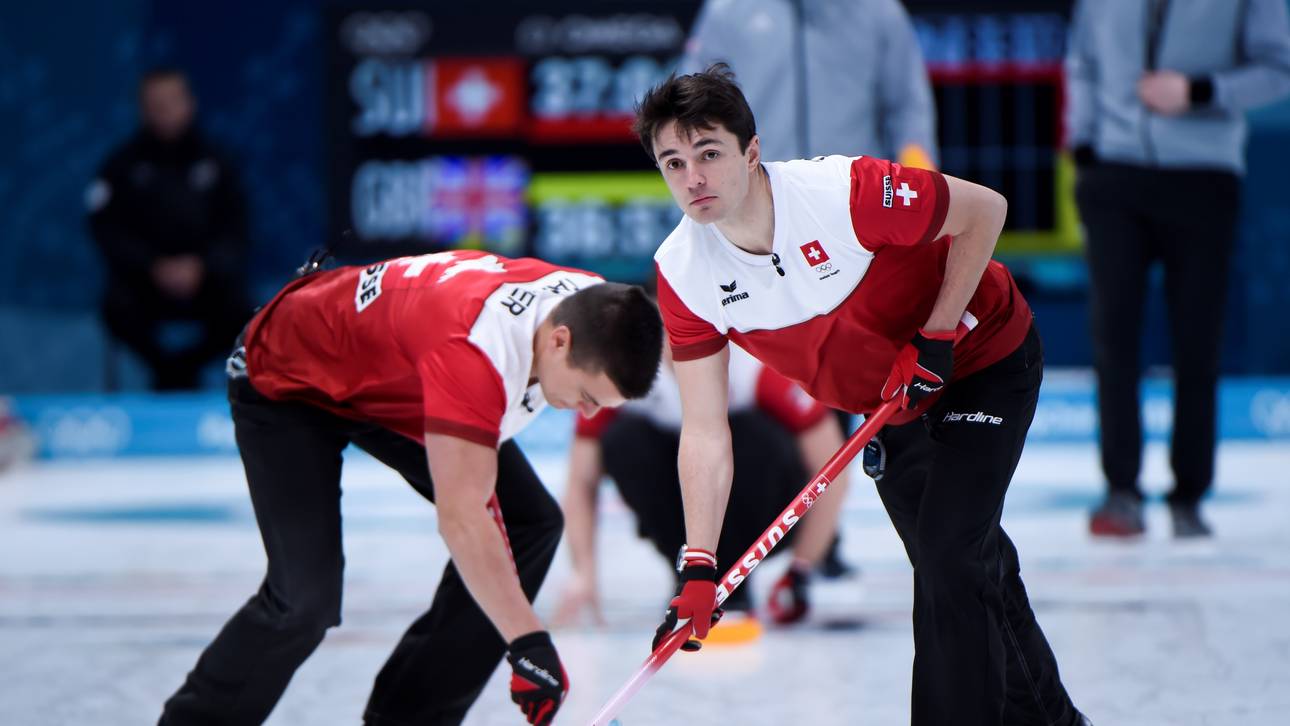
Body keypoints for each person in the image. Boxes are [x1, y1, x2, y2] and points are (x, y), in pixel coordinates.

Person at [633, 65, 1088, 726]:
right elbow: (704, 432)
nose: (692, 178)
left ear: (751, 152)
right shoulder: (683, 275)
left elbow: (985, 210)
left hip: (981, 356)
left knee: (949, 556)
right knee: (966, 566)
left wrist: (936, 336)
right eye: (672, 162)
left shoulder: (844, 192)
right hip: (889, 405)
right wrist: (700, 564)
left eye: (709, 154)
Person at [157, 249, 663, 726]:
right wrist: (527, 641)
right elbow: (463, 519)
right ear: (559, 342)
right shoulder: (474, 350)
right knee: (304, 602)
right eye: (587, 395)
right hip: (288, 381)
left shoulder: (596, 306)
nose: (589, 413)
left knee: (532, 521)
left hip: (394, 381)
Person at [1066, 0, 1290, 539]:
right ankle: (1121, 490)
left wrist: (1201, 91)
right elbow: (1083, 62)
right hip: (1113, 171)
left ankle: (1189, 494)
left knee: (1197, 339)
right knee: (1113, 337)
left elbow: (1278, 68)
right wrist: (1084, 146)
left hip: (1203, 171)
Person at [554, 341, 852, 635]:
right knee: (624, 439)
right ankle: (687, 569)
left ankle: (734, 575)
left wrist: (800, 569)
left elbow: (831, 466)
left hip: (758, 500)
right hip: (675, 505)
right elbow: (582, 479)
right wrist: (583, 573)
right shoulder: (624, 371)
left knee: (755, 437)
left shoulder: (754, 367)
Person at [87, 67, 254, 390]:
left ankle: (184, 369)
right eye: (155, 104)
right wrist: (151, 265)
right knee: (114, 307)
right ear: (142, 108)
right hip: (144, 281)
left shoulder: (218, 162)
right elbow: (105, 229)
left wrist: (202, 265)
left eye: (171, 102)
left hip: (206, 280)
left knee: (245, 311)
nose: (163, 112)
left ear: (189, 103)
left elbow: (238, 228)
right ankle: (166, 370)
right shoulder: (121, 165)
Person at [682, 0, 937, 168]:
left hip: (855, 199)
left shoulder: (879, 11)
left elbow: (908, 108)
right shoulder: (727, 11)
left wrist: (920, 179)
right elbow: (697, 107)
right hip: (760, 197)